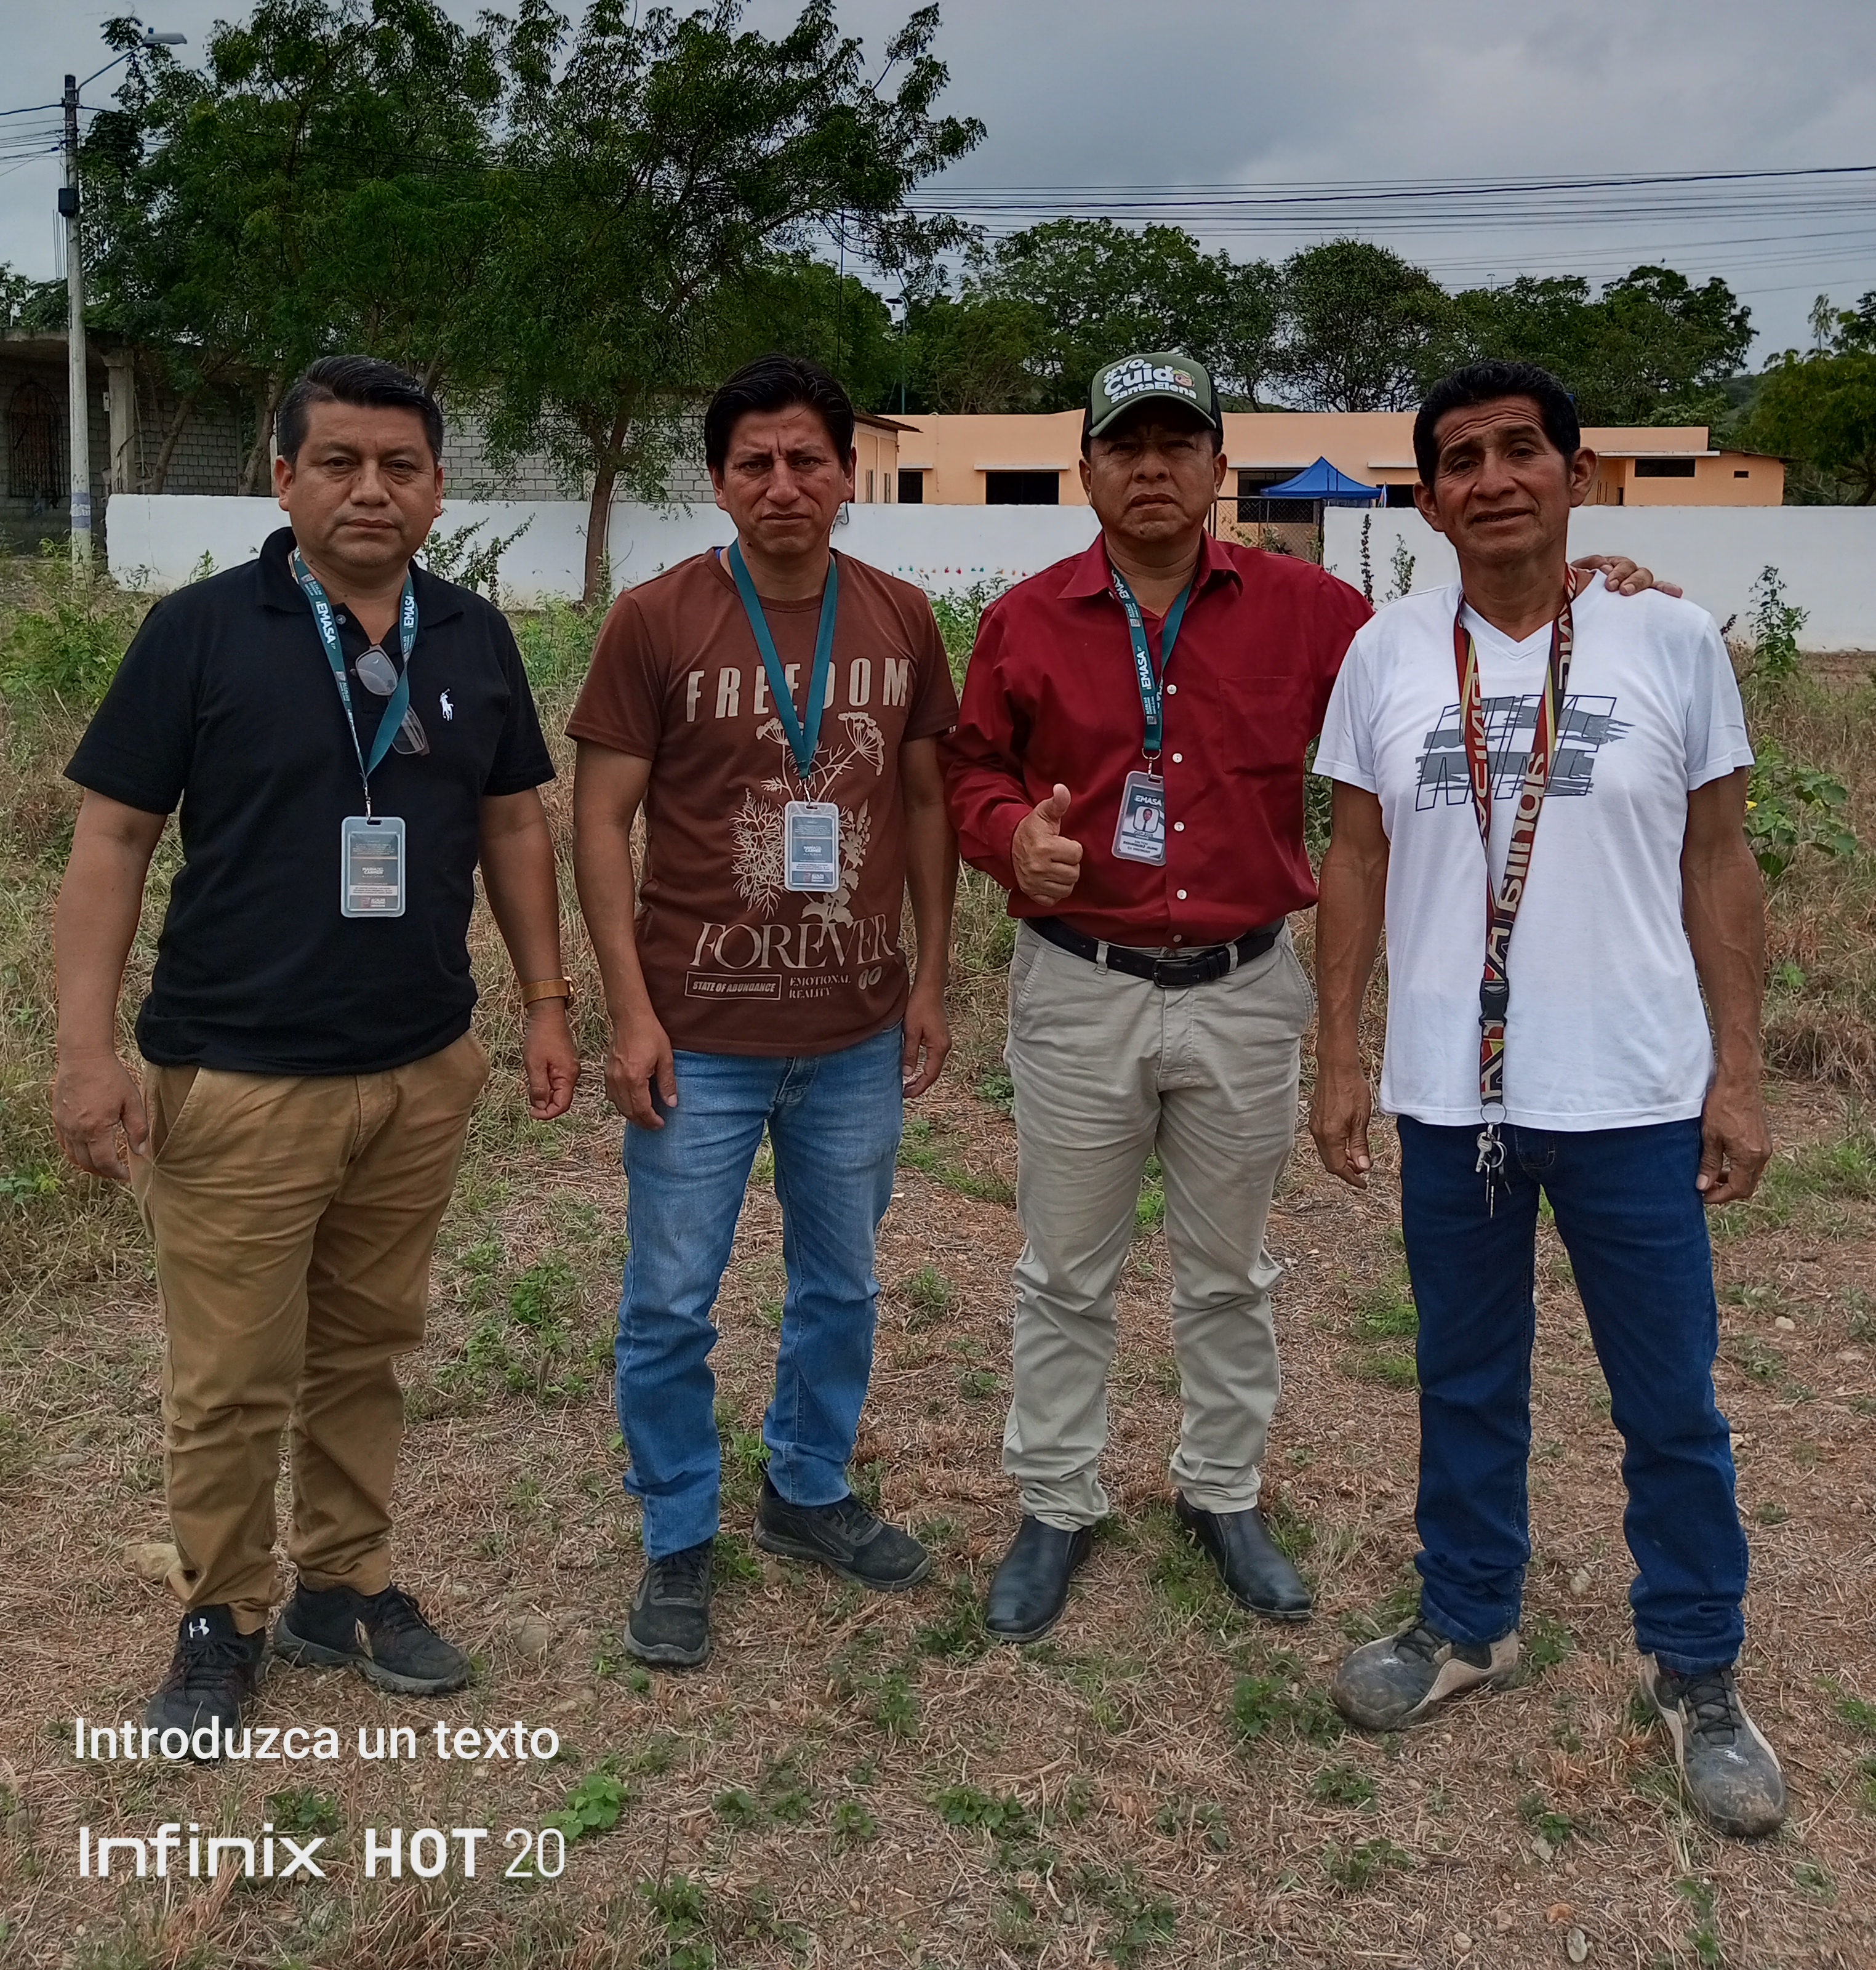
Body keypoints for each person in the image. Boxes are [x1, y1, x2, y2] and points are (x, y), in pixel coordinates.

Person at [941, 350, 1666, 1647]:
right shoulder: (1025, 620)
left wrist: (1592, 589)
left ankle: (1221, 1491)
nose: (1152, 469)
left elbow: (1461, 646)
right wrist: (1008, 837)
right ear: (1085, 471)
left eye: (1178, 445)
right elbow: (970, 770)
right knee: (1065, 1269)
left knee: (1230, 1271)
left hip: (1243, 986)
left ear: (1219, 468)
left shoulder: (1318, 613)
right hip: (1080, 984)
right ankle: (1055, 1499)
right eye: (1125, 447)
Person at [53, 354, 579, 1748]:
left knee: (366, 1349)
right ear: (282, 478)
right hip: (239, 1075)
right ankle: (220, 1616)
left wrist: (544, 999)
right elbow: (113, 838)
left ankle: (341, 1585)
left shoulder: (472, 636)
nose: (370, 489)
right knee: (232, 1379)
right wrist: (84, 1053)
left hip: (419, 1070)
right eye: (338, 462)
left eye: (400, 466)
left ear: (438, 489)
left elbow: (515, 823)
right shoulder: (200, 631)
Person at [1310, 359, 1784, 1838]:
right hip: (1454, 1098)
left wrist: (1741, 1071)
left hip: (1635, 1091)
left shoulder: (1670, 635)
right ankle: (1469, 1619)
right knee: (1464, 1376)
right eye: (1461, 459)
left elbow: (1720, 859)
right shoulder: (1387, 653)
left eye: (1523, 450)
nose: (1494, 477)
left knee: (1670, 1398)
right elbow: (1356, 860)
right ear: (1430, 500)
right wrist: (1340, 1056)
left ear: (1578, 476)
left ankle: (1697, 1665)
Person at [569, 355, 959, 1670]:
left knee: (841, 1283)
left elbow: (925, 804)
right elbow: (600, 821)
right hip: (700, 1036)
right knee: (672, 1302)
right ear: (720, 481)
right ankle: (679, 1531)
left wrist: (932, 979)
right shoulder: (655, 620)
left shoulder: (902, 617)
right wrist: (629, 1012)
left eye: (807, 460)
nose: (783, 484)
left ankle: (807, 1486)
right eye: (756, 463)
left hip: (853, 1030)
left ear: (849, 475)